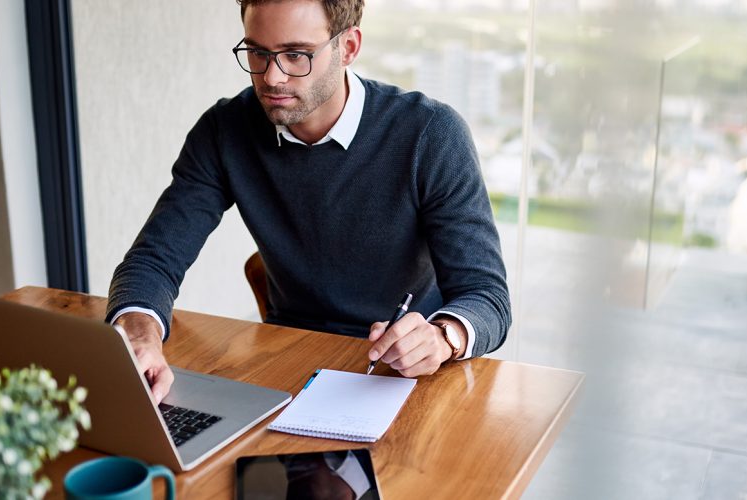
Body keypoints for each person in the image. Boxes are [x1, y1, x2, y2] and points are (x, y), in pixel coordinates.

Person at [106, 0, 511, 403]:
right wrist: (139, 333)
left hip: (402, 373)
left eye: (296, 55)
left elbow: (487, 297)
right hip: (289, 359)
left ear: (348, 47)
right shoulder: (224, 131)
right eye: (257, 53)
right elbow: (154, 258)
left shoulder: (431, 135)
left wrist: (443, 337)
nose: (272, 77)